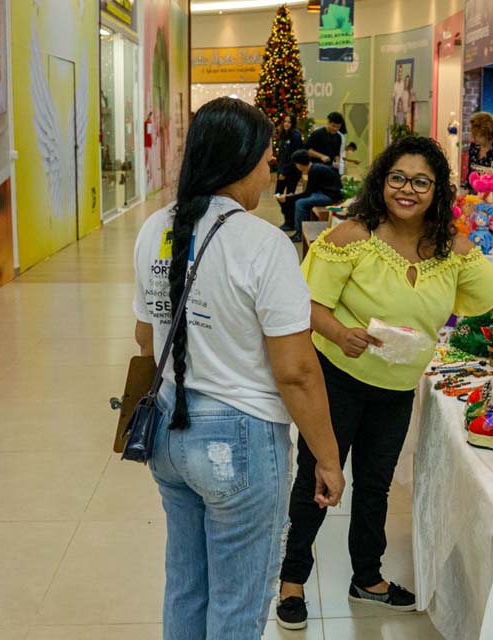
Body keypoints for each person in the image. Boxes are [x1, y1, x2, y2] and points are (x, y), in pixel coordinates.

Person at [275, 136, 493, 630]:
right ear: (381, 182)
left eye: (421, 181)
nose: (407, 190)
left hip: (395, 388)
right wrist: (339, 332)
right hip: (337, 379)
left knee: (375, 485)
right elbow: (304, 303)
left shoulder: (452, 251)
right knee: (318, 478)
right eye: (398, 178)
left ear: (437, 190)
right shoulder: (353, 236)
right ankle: (291, 581)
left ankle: (367, 578)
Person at [131, 97, 345, 640]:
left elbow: (145, 337)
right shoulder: (264, 245)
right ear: (242, 161)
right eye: (268, 159)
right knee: (238, 603)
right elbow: (296, 371)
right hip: (239, 439)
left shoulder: (156, 227)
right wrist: (327, 455)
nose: (271, 169)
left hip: (167, 431)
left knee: (186, 584)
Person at [278, 149, 343, 242]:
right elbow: (310, 191)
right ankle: (300, 229)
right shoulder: (315, 168)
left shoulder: (314, 170)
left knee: (300, 203)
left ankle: (300, 233)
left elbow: (307, 193)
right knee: (302, 201)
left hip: (330, 197)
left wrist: (289, 198)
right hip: (328, 193)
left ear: (298, 164)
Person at [463, 111, 493, 195]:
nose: (473, 138)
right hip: (474, 195)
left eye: (476, 135)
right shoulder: (475, 147)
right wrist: (466, 192)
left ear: (486, 133)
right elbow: (470, 173)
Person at [274, 113, 304, 228]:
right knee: (278, 195)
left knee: (288, 196)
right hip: (283, 170)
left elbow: (294, 157)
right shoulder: (283, 135)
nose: (286, 124)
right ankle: (289, 218)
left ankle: (290, 221)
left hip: (292, 172)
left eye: (289, 122)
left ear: (293, 124)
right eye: (285, 121)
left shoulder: (295, 136)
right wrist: (280, 170)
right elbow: (282, 155)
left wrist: (284, 172)